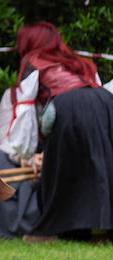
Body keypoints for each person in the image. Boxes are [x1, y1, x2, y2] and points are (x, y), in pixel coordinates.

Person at [14, 22, 113, 239]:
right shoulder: (81, 62)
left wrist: (26, 153)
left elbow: (26, 108)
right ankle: (99, 229)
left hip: (68, 106)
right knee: (102, 163)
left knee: (60, 167)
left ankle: (56, 230)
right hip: (105, 103)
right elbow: (95, 86)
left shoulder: (33, 63)